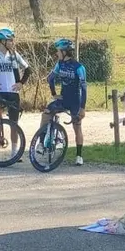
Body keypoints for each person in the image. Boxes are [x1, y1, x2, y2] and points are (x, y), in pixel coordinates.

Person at [44, 38, 88, 166]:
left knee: (77, 127)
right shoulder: (59, 64)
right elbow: (50, 79)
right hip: (63, 99)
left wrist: (82, 108)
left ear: (65, 52)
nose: (57, 53)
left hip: (75, 101)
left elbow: (84, 89)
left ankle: (79, 155)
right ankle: (42, 142)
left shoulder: (79, 67)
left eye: (58, 51)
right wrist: (54, 94)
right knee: (46, 113)